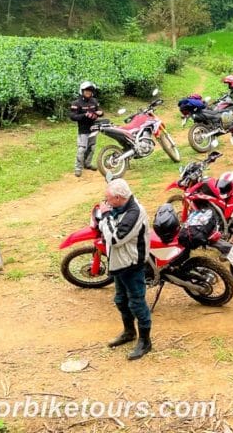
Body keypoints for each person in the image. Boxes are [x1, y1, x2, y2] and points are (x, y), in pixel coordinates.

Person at [97, 178, 152, 360]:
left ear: (119, 198)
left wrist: (105, 217)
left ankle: (145, 341)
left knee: (137, 302)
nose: (106, 202)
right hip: (119, 263)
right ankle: (129, 332)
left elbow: (114, 239)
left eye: (108, 199)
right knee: (121, 300)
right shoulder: (120, 207)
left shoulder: (134, 213)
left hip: (131, 265)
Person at [69, 81, 104, 177]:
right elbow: (72, 116)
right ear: (82, 91)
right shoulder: (76, 103)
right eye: (86, 91)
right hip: (83, 130)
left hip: (93, 128)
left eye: (90, 91)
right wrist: (85, 115)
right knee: (81, 149)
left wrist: (100, 113)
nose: (88, 93)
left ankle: (87, 164)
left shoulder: (94, 101)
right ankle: (78, 168)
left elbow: (99, 111)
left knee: (92, 148)